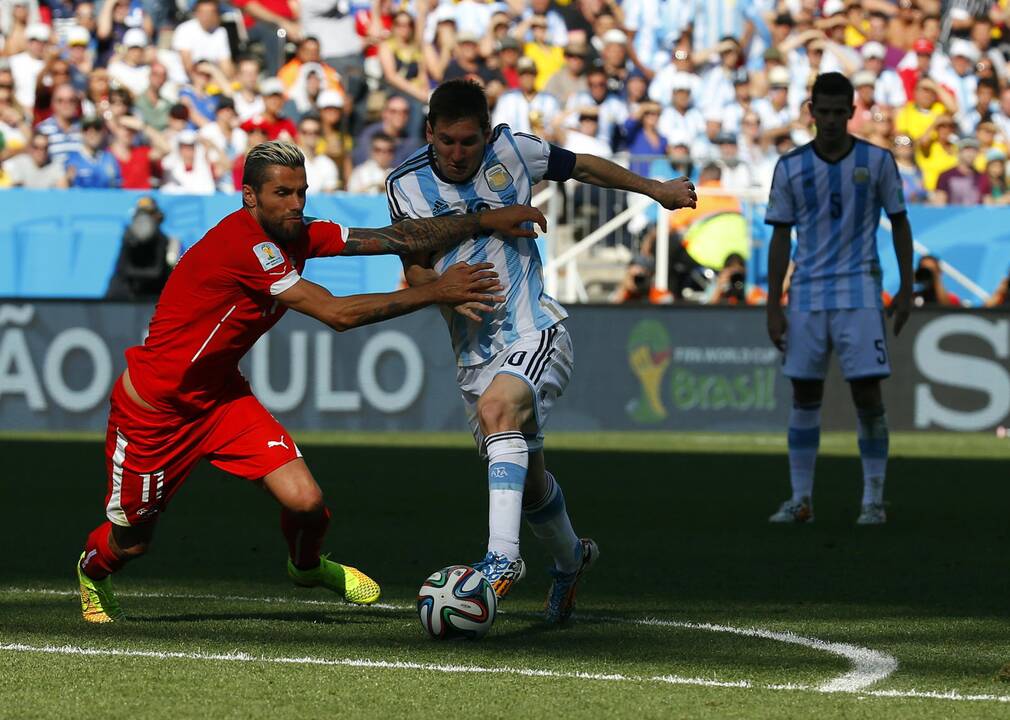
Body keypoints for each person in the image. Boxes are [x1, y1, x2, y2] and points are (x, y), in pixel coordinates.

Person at [76, 139, 548, 623]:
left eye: (302, 192)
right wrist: (437, 291)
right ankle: (92, 571)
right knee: (132, 542)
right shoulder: (245, 247)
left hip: (220, 400)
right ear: (249, 197)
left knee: (307, 503)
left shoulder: (297, 233)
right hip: (156, 411)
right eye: (282, 193)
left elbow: (394, 237)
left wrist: (486, 220)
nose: (296, 204)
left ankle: (305, 566)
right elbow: (337, 314)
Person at [388, 79, 696, 623]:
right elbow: (413, 263)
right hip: (474, 355)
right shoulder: (404, 185)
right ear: (430, 132)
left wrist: (655, 189)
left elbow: (583, 166)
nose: (458, 155)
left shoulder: (515, 150)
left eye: (469, 142)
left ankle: (501, 561)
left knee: (497, 410)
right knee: (528, 482)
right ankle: (571, 559)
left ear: (486, 133)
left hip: (537, 330)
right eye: (447, 142)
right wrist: (439, 289)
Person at [765, 73, 913, 527]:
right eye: (822, 111)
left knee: (867, 393)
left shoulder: (879, 161)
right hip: (807, 293)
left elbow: (901, 223)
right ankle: (801, 499)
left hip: (860, 292)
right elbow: (780, 237)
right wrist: (774, 303)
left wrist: (907, 287)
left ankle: (873, 500)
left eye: (838, 112)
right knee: (804, 392)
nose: (829, 120)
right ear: (812, 113)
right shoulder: (790, 167)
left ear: (852, 112)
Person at [105, 197, 179, 300]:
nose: (144, 220)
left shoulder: (166, 242)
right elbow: (123, 270)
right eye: (140, 214)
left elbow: (158, 272)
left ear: (158, 217)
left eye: (149, 214)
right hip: (125, 299)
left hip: (153, 298)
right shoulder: (128, 239)